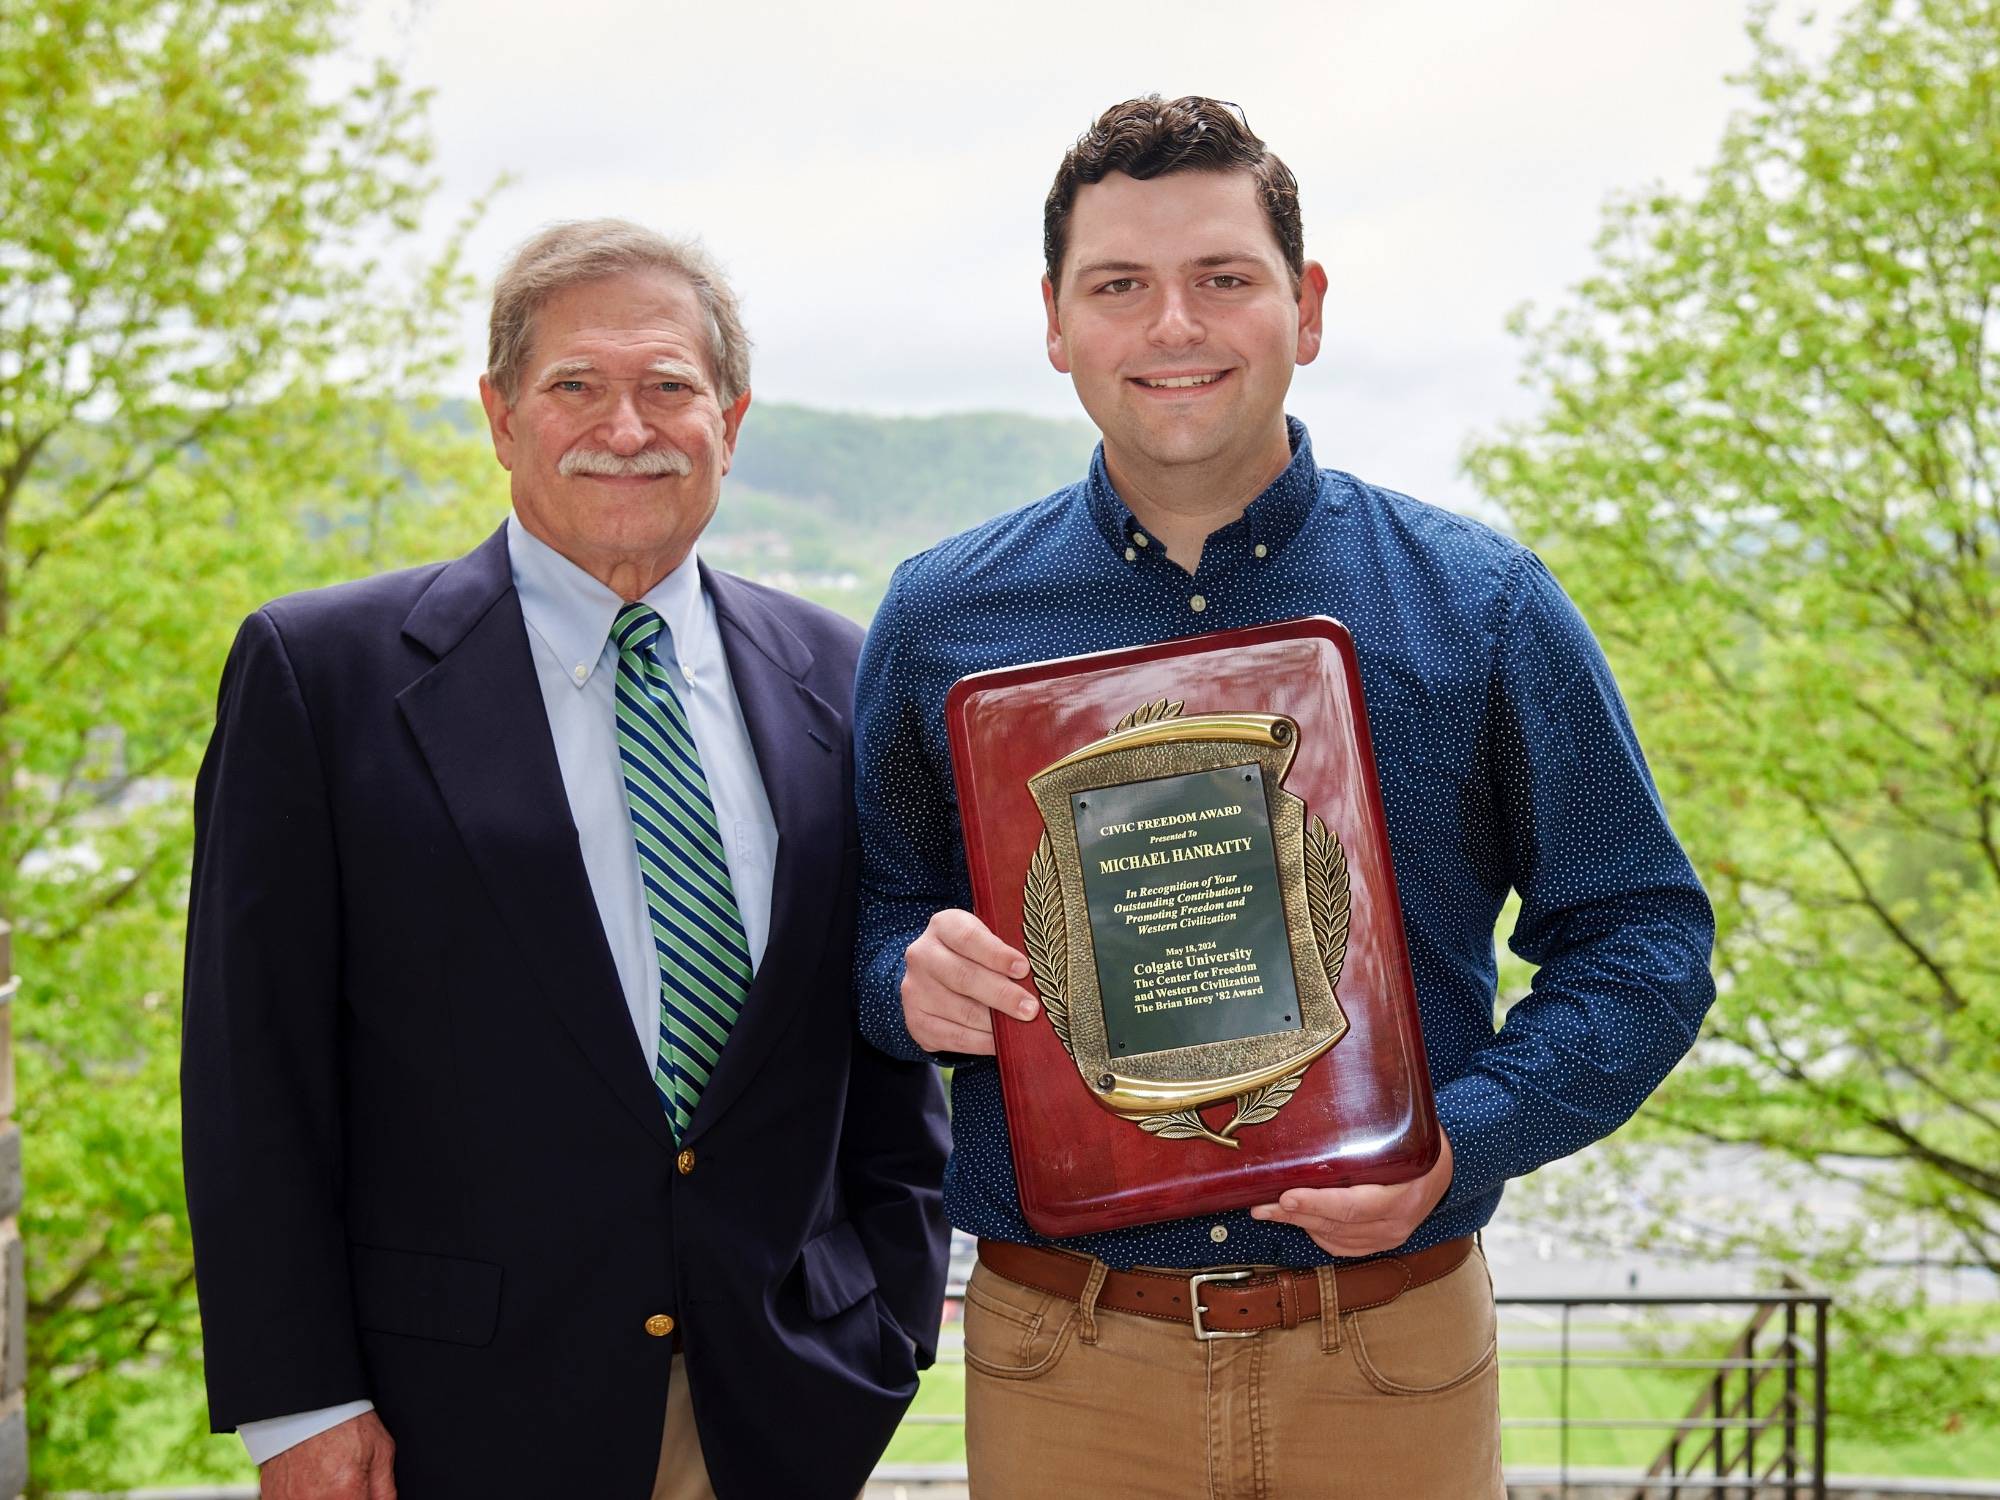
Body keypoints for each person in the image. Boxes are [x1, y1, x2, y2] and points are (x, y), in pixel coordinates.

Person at [854, 97, 1715, 1499]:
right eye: (1119, 286)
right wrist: (901, 980)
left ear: (1304, 309)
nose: (1172, 325)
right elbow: (870, 922)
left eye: (1224, 279)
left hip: (1387, 1354)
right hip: (1063, 1356)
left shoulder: (1480, 605)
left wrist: (1463, 1140)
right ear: (1057, 323)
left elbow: (1644, 939)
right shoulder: (940, 618)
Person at [183, 220, 950, 1500]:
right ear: (499, 415)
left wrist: (886, 1325)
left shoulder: (841, 671)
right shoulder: (322, 678)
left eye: (667, 386)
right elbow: (250, 1070)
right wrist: (297, 1402)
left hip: (778, 1407)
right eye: (574, 386)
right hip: (449, 1416)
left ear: (732, 418)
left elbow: (882, 1035)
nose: (626, 426)